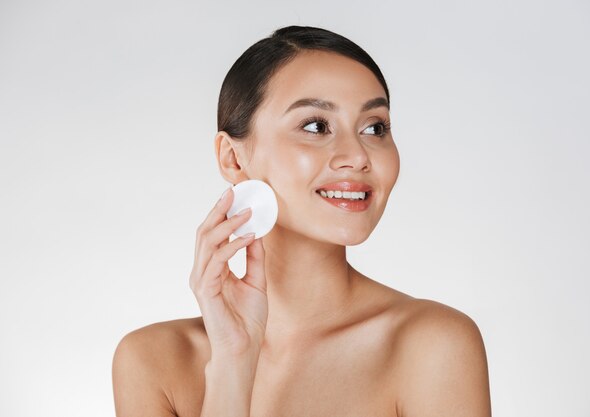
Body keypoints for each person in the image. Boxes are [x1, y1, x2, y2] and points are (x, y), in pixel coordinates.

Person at [112, 25, 491, 417]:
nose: (358, 155)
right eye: (316, 126)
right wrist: (233, 363)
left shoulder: (432, 346)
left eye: (374, 128)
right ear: (233, 159)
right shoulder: (152, 362)